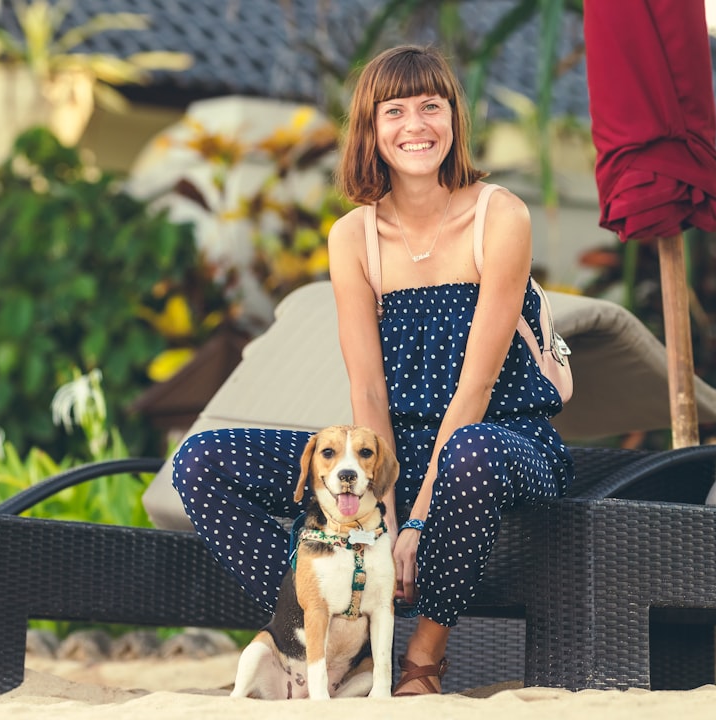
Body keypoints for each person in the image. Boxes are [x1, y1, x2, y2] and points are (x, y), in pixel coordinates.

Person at [171, 44, 574, 696]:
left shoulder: (499, 217)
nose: (415, 125)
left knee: (469, 449)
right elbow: (366, 387)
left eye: (430, 106)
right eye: (396, 111)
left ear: (453, 119)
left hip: (503, 441)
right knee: (203, 463)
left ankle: (423, 656)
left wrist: (411, 524)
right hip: (394, 448)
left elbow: (476, 385)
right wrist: (380, 509)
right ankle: (333, 635)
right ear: (371, 128)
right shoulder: (352, 238)